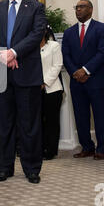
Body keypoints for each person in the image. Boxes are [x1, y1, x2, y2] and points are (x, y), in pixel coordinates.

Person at [0, 0, 46, 184]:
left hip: (27, 73)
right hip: (1, 74)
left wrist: (14, 52)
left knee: (29, 124)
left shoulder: (36, 7)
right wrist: (3, 54)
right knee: (4, 122)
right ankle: (5, 167)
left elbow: (37, 34)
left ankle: (31, 168)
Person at [62, 0, 104, 160]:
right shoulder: (69, 32)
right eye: (76, 7)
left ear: (90, 10)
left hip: (95, 79)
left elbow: (102, 53)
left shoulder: (102, 29)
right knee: (80, 116)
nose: (78, 10)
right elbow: (66, 55)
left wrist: (85, 70)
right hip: (76, 81)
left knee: (99, 115)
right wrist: (75, 72)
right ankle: (87, 147)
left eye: (82, 7)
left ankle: (101, 149)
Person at [40, 26, 64, 160]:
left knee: (52, 121)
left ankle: (50, 150)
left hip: (52, 89)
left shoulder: (54, 46)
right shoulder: (29, 47)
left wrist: (43, 82)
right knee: (37, 121)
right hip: (33, 89)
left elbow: (57, 65)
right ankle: (39, 147)